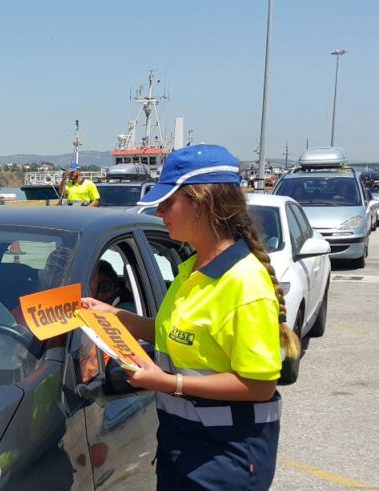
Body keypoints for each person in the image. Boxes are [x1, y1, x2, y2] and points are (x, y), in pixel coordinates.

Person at [81, 144, 301, 490]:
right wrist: (113, 315)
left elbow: (260, 386)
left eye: (168, 202)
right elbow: (171, 334)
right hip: (182, 447)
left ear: (202, 203)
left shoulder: (244, 283)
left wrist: (169, 383)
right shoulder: (192, 269)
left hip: (226, 458)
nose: (159, 212)